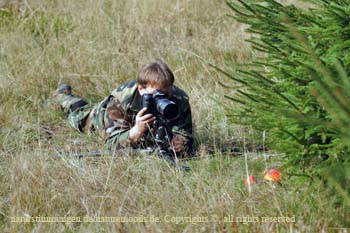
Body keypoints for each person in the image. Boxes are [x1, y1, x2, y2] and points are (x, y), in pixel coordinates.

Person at [52, 60, 194, 157]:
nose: (162, 99)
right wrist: (136, 131)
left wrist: (181, 143)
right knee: (77, 113)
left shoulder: (178, 100)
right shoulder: (121, 100)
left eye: (166, 93)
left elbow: (186, 135)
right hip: (98, 117)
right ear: (141, 89)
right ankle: (61, 96)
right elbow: (111, 145)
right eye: (156, 94)